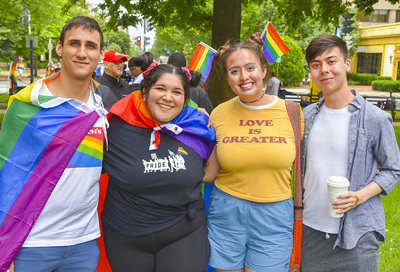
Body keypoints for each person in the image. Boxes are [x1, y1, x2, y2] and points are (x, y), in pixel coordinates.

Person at [0, 16, 108, 272]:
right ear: (60, 48)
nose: (82, 53)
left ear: (101, 54)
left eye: (91, 46)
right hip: (30, 244)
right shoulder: (27, 105)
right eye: (74, 43)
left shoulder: (102, 102)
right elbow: (6, 177)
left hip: (84, 243)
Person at [100, 63, 216, 272]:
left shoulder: (197, 127)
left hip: (183, 234)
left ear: (185, 98)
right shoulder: (113, 125)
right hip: (125, 237)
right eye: (160, 88)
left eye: (177, 92)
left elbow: (210, 174)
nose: (168, 97)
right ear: (145, 91)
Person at [301, 34, 400, 271]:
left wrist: (360, 196)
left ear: (346, 64)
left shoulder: (375, 119)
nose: (324, 70)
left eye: (331, 61)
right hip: (310, 230)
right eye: (316, 65)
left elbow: (393, 169)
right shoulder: (306, 117)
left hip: (357, 234)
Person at [206, 41, 304, 272]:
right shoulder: (218, 113)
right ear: (228, 78)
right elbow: (209, 171)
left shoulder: (292, 113)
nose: (243, 76)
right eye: (234, 71)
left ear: (263, 70)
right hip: (227, 211)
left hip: (274, 214)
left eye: (250, 67)